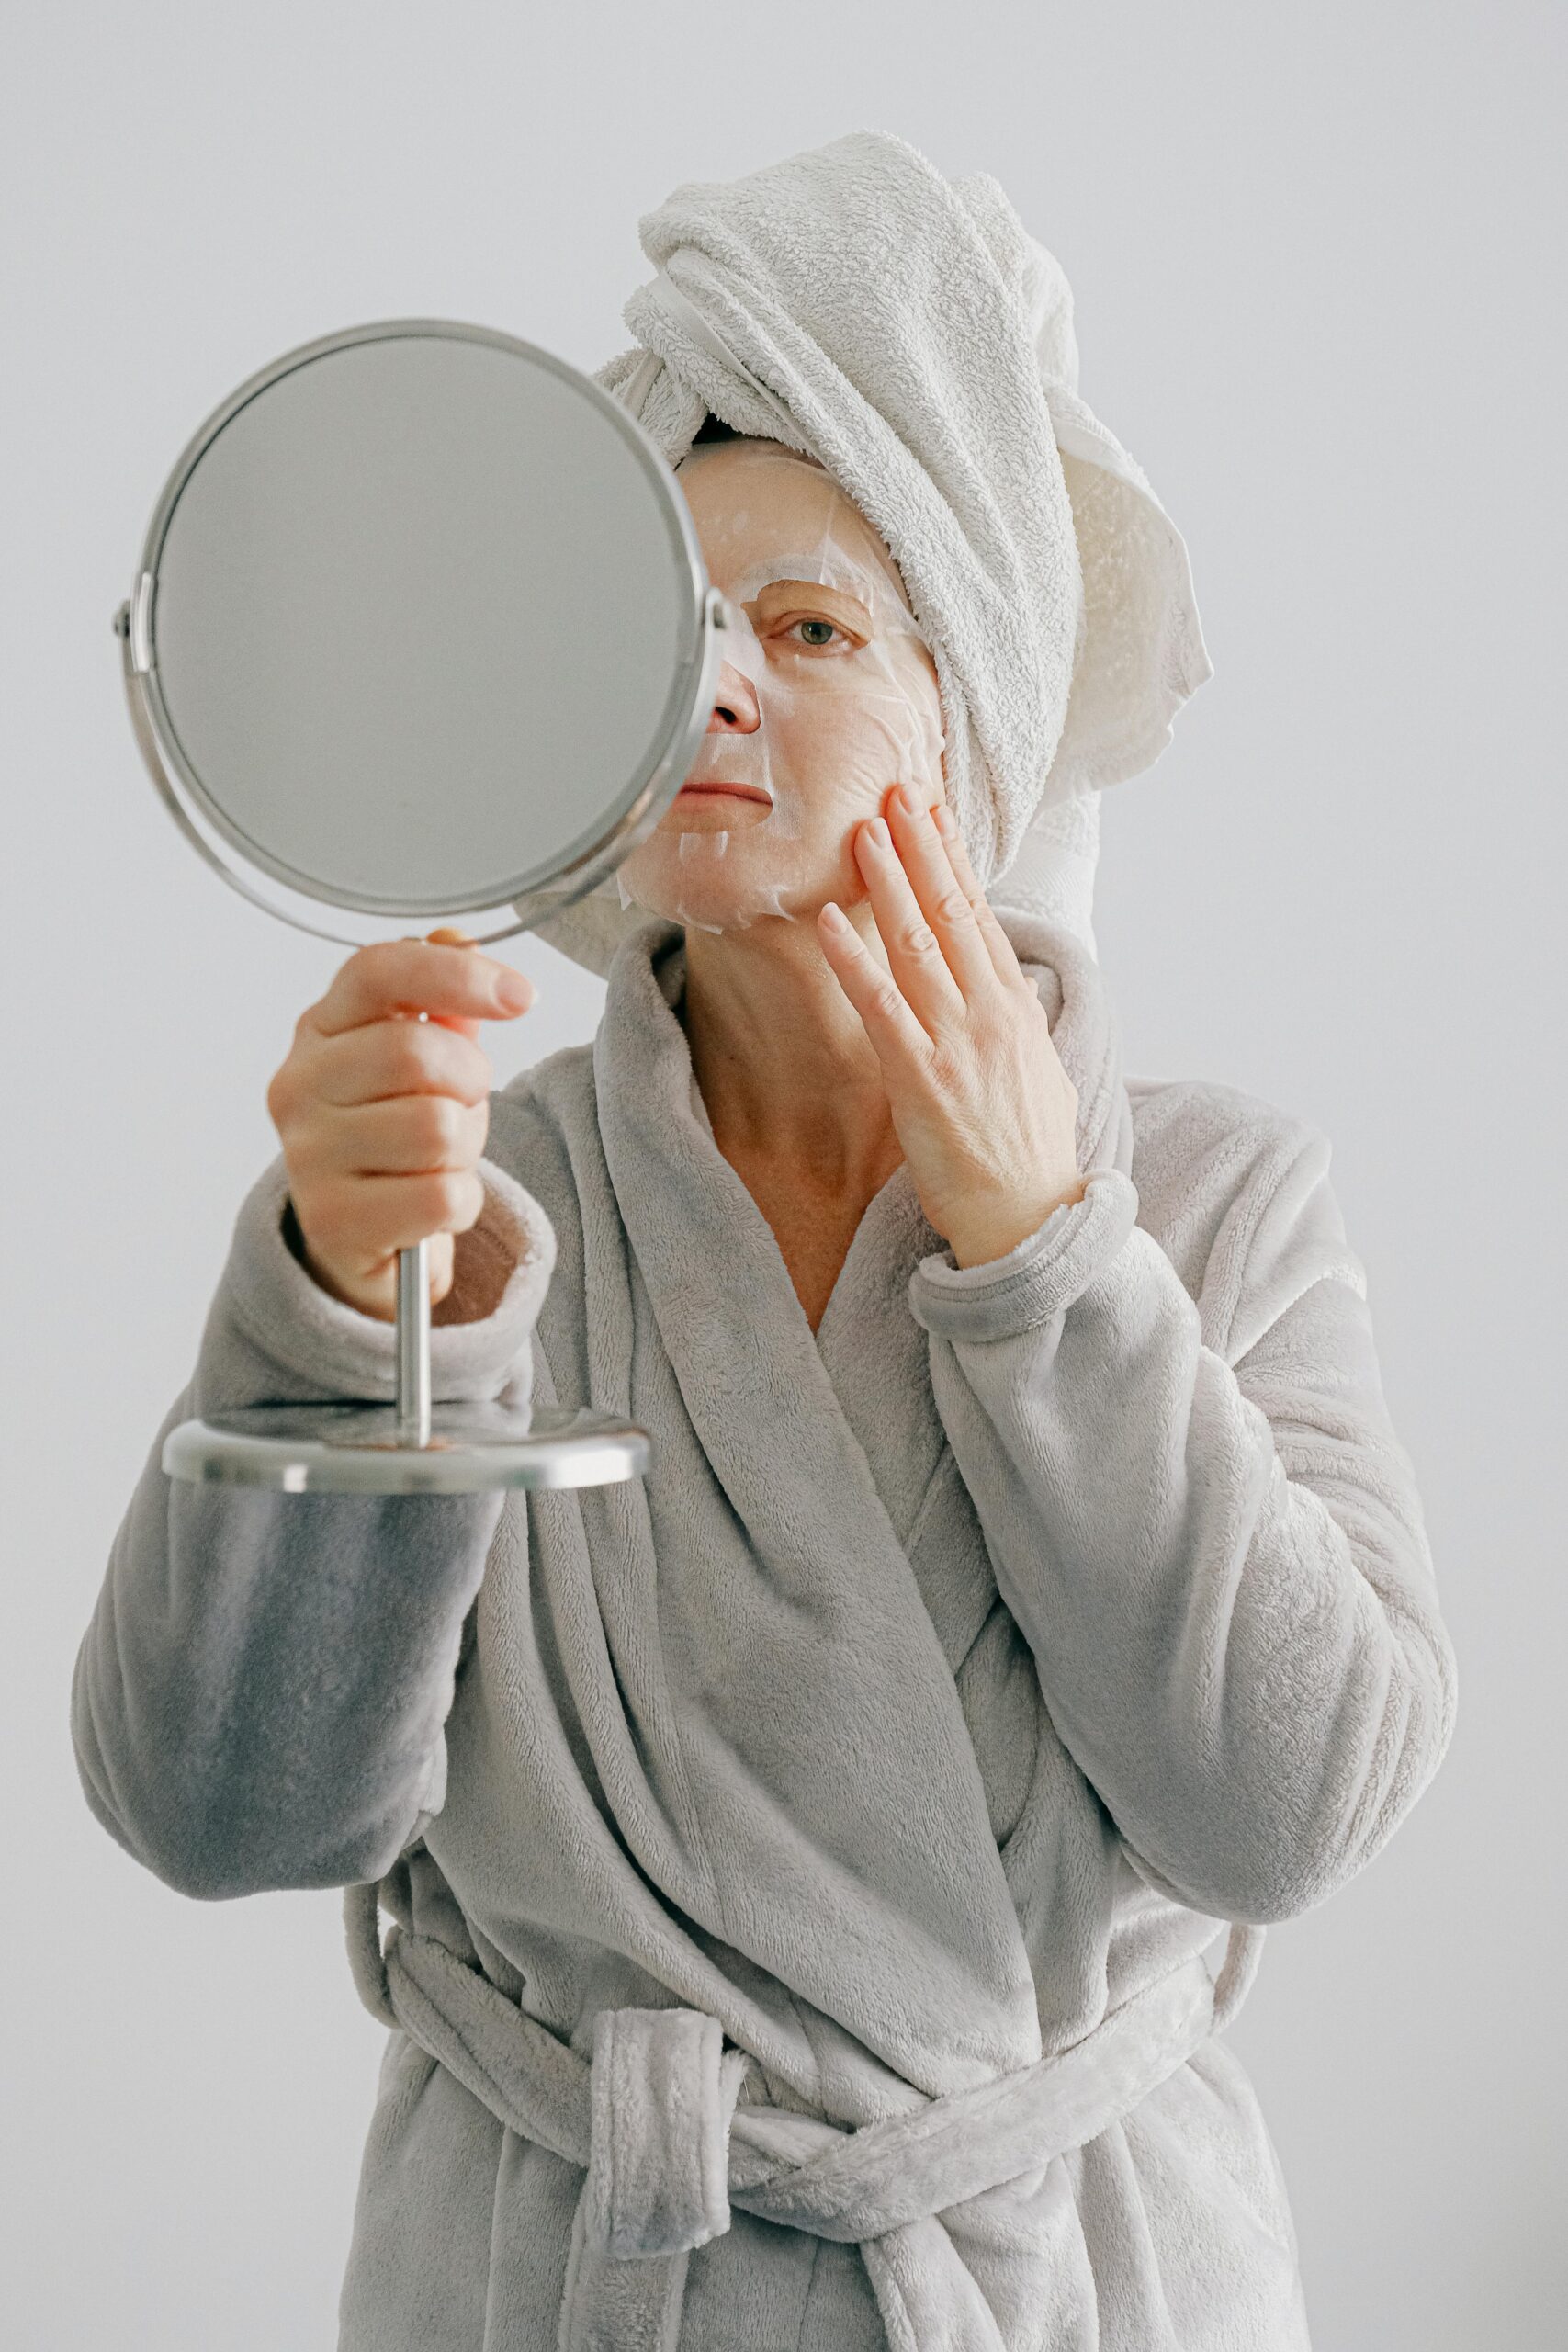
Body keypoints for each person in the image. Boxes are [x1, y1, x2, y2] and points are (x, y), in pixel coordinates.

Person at [72, 133, 1458, 2350]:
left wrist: (1046, 1260)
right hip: (564, 2280)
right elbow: (220, 1811)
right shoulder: (462, 1181)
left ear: (966, 712)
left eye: (806, 628)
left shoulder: (1209, 1194)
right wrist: (335, 1311)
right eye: (669, 628)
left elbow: (1288, 1813)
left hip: (1066, 2288)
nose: (716, 684)